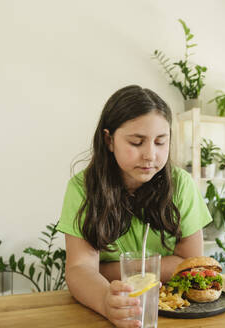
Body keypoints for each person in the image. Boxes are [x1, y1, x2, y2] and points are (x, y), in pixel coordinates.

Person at [56, 85, 212, 328]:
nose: (150, 155)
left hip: (175, 313)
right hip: (110, 311)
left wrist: (105, 270)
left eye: (161, 142)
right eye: (137, 142)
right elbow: (79, 270)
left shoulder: (181, 184)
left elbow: (190, 264)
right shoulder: (82, 188)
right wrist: (105, 300)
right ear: (109, 140)